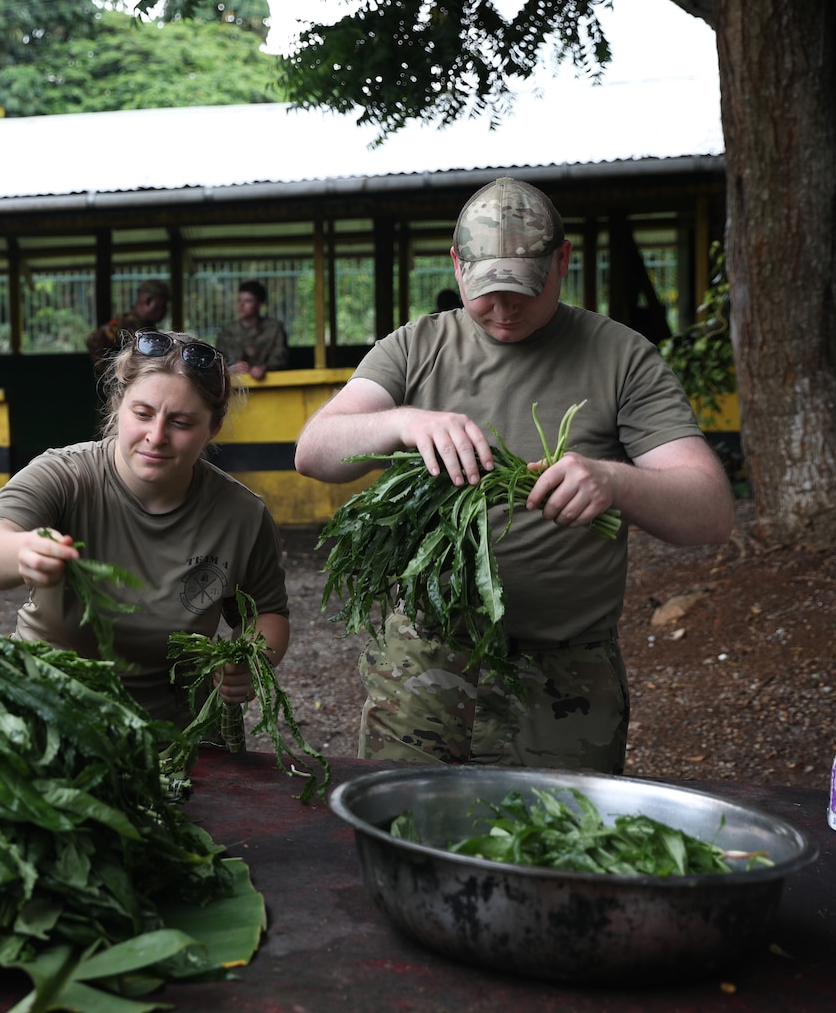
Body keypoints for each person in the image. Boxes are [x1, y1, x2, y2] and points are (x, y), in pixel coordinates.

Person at [294, 177, 733, 773]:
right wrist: (403, 422)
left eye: (524, 289)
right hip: (424, 666)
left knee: (556, 846)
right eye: (486, 291)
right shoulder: (414, 348)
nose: (504, 309)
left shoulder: (623, 358)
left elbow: (710, 510)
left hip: (565, 674)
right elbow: (315, 450)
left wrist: (615, 481)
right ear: (456, 266)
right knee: (411, 835)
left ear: (563, 260)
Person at [0, 330, 289, 726]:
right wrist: (22, 552)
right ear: (118, 405)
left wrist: (249, 660)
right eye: (143, 414)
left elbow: (266, 612)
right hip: (49, 714)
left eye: (182, 422)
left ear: (213, 429)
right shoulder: (64, 475)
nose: (156, 437)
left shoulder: (242, 513)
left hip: (181, 730)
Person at [215, 279, 289, 379]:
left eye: (248, 301)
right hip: (235, 387)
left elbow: (281, 357)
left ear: (259, 304)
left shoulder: (274, 328)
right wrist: (231, 369)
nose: (241, 305)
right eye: (239, 300)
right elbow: (216, 362)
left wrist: (264, 368)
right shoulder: (227, 331)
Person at [86, 278, 169, 365]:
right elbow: (94, 339)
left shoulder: (146, 326)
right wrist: (115, 373)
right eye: (163, 305)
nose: (165, 310)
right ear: (149, 301)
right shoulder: (124, 325)